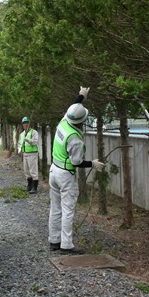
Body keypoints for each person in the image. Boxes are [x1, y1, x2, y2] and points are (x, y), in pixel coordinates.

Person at [48, 86, 105, 254]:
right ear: (82, 121)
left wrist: (81, 96)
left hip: (54, 170)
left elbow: (73, 108)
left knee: (55, 208)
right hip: (66, 175)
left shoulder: (64, 121)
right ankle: (66, 245)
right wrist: (93, 164)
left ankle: (54, 241)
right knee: (68, 210)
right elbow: (77, 162)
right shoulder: (75, 139)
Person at [19, 116, 39, 194]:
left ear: (29, 124)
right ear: (22, 125)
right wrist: (20, 150)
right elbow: (20, 143)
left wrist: (27, 140)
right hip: (25, 154)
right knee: (26, 171)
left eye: (27, 123)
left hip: (32, 154)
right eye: (24, 123)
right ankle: (29, 186)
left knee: (33, 171)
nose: (25, 125)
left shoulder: (34, 132)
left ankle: (34, 188)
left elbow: (35, 142)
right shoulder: (22, 134)